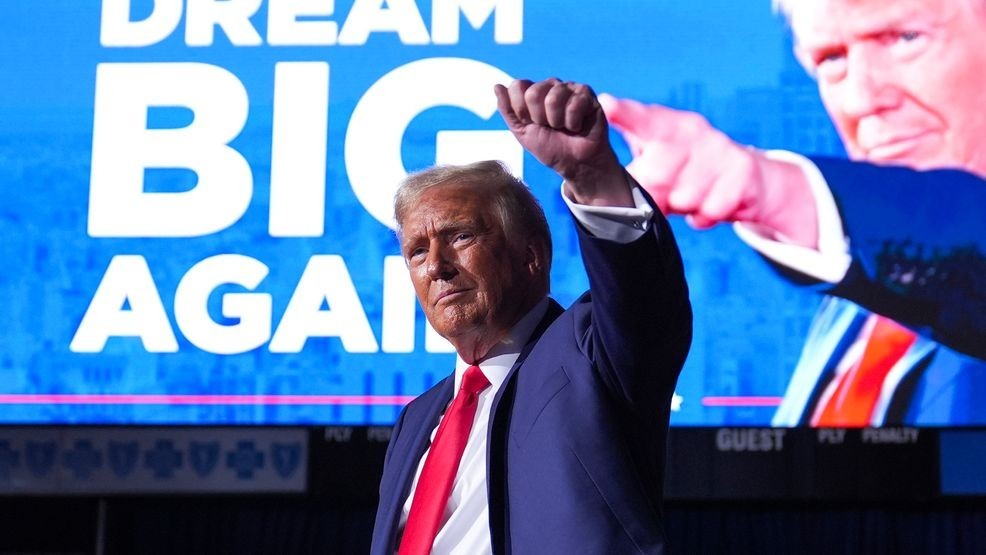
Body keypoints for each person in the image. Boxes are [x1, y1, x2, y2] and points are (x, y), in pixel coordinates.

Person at [600, 0, 986, 426]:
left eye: (905, 38)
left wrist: (773, 190)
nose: (860, 100)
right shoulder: (852, 292)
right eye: (832, 59)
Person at [370, 78, 691, 554]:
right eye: (417, 251)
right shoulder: (416, 420)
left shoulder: (591, 355)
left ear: (531, 257)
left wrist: (594, 178)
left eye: (460, 237)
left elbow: (643, 300)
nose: (436, 266)